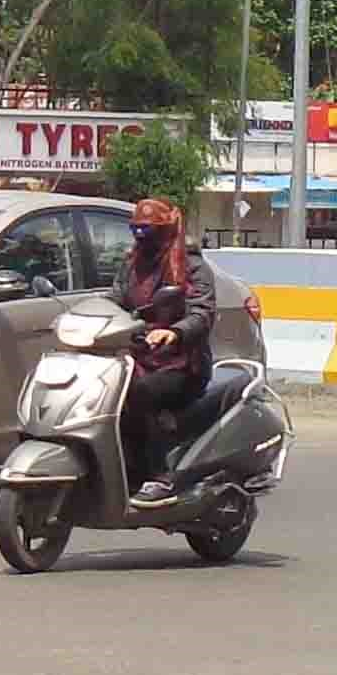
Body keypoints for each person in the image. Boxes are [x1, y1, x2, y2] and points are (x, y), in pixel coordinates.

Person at [117, 196, 215, 504]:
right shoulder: (131, 264)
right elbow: (114, 299)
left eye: (148, 230)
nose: (141, 237)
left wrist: (173, 332)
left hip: (183, 364)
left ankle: (161, 476)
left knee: (143, 393)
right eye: (137, 230)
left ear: (166, 230)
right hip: (139, 356)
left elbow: (203, 313)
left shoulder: (192, 265)